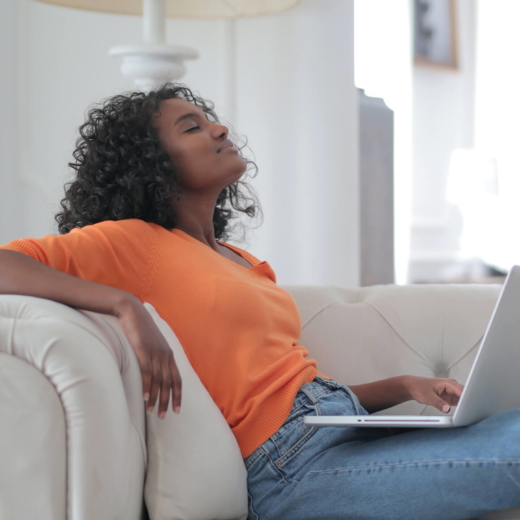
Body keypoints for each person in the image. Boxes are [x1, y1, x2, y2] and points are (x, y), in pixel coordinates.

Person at [1, 82, 519, 520]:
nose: (220, 130)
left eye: (211, 122)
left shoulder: (240, 261)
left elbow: (285, 391)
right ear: (151, 163)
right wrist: (121, 304)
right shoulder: (137, 243)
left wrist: (404, 386)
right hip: (290, 473)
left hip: (334, 431)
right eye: (192, 128)